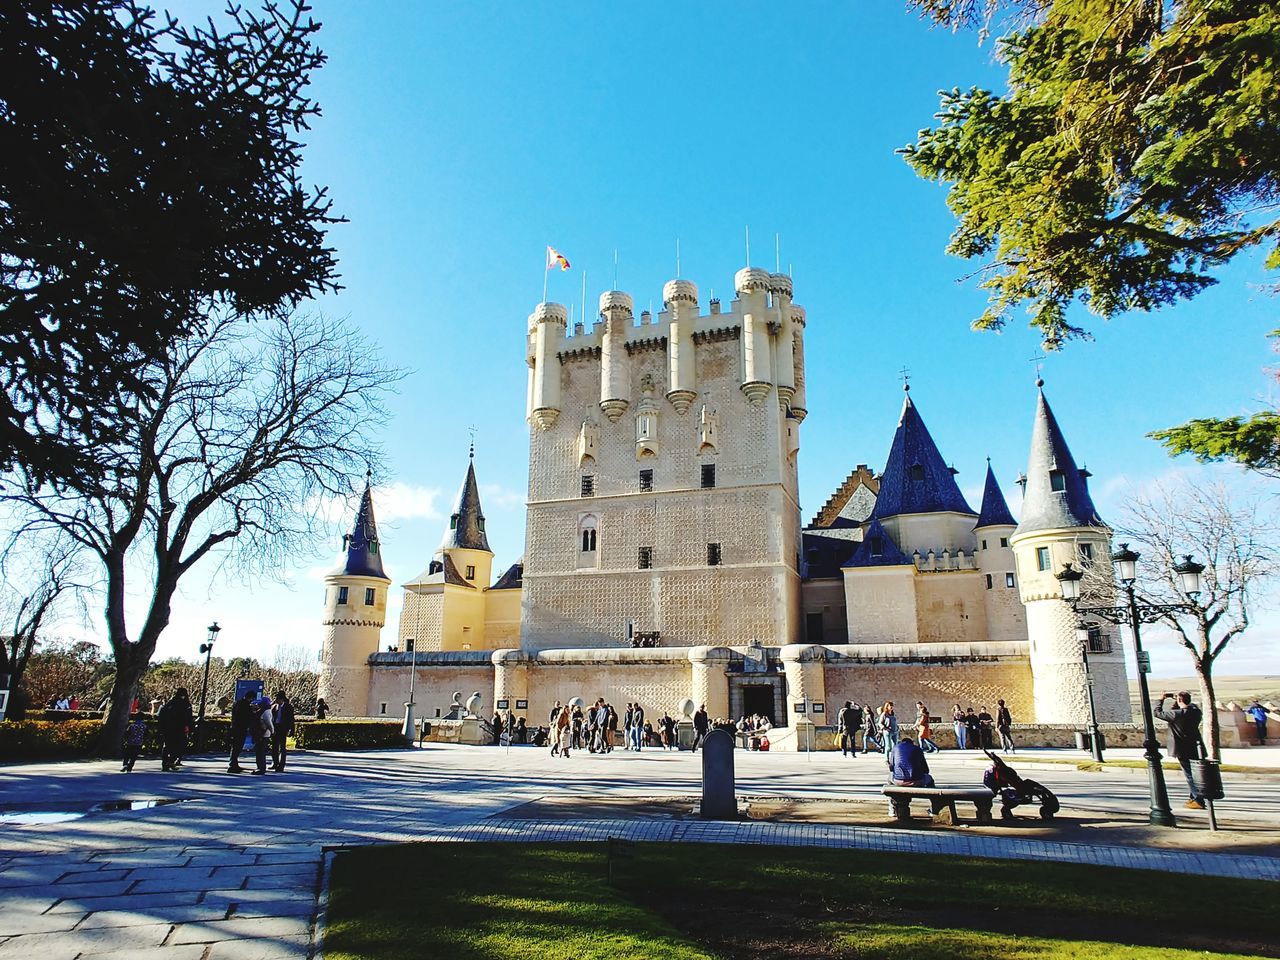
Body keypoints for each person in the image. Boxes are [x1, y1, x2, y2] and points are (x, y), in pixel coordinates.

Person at [1155, 691, 1208, 809]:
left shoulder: (1177, 714)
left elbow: (1157, 713)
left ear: (1179, 700)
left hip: (1182, 748)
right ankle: (1194, 797)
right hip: (1196, 746)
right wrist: (1179, 700)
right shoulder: (1196, 712)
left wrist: (1161, 700)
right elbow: (1192, 706)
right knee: (1196, 773)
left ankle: (1198, 800)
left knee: (1190, 774)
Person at [157, 688, 193, 772]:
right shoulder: (185, 704)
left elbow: (161, 714)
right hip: (179, 728)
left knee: (167, 746)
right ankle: (171, 761)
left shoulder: (170, 703)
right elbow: (187, 718)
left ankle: (165, 763)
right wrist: (187, 727)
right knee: (179, 745)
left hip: (168, 728)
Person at [227, 690, 256, 773]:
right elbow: (247, 717)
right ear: (250, 698)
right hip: (240, 728)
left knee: (235, 746)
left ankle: (234, 763)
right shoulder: (245, 705)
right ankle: (232, 764)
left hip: (235, 727)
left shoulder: (237, 703)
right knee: (237, 746)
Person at [271, 690, 295, 771]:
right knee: (274, 747)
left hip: (283, 728)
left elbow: (291, 719)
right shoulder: (274, 707)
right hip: (275, 727)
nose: (277, 701)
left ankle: (281, 765)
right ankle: (275, 762)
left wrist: (291, 729)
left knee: (282, 747)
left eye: (278, 699)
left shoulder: (288, 707)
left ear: (282, 699)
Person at [251, 696, 274, 775]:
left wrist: (272, 731)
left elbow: (268, 723)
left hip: (264, 733)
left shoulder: (266, 711)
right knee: (259, 751)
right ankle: (259, 767)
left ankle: (261, 768)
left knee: (260, 751)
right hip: (261, 733)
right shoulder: (263, 710)